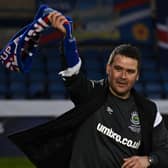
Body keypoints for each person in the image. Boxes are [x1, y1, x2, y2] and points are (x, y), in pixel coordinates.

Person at [6, 5, 168, 168]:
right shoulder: (91, 93)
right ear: (108, 69)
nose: (123, 76)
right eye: (118, 69)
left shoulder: (148, 111)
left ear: (137, 75)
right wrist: (67, 39)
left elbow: (165, 151)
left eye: (130, 71)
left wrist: (148, 160)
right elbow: (72, 73)